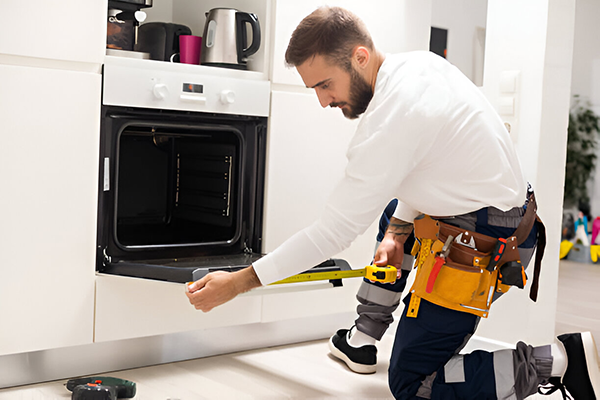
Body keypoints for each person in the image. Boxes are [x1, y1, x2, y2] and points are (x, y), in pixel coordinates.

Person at [186, 6, 600, 399]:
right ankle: (362, 339)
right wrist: (396, 232)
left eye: (325, 84)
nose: (323, 101)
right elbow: (424, 171)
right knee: (392, 214)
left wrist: (239, 282)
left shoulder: (389, 121)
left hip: (488, 243)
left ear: (360, 57)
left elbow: (330, 233)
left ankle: (559, 361)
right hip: (497, 215)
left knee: (414, 382)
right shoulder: (418, 65)